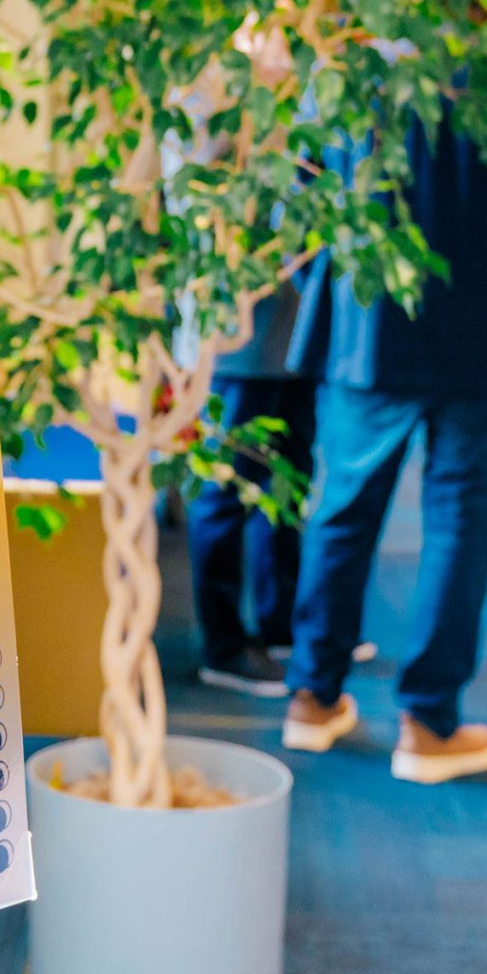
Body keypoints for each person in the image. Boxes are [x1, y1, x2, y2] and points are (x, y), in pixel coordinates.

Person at [279, 82, 487, 784]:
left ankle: (312, 699)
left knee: (341, 513)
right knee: (459, 524)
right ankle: (427, 726)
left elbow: (295, 212)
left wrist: (341, 297)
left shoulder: (349, 78)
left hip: (368, 338)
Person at [186, 281, 311, 697]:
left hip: (294, 340)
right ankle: (224, 646)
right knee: (223, 493)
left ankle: (280, 622)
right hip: (237, 343)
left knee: (285, 485)